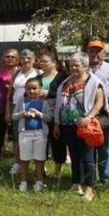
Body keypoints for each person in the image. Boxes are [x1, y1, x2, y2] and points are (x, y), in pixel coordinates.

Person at [53, 52, 107, 201]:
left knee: (88, 157)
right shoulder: (66, 82)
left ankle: (89, 188)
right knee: (75, 155)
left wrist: (88, 117)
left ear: (85, 66)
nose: (73, 68)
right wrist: (57, 123)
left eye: (77, 65)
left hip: (85, 125)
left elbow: (99, 102)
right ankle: (76, 183)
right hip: (67, 124)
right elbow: (59, 103)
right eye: (71, 65)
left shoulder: (93, 81)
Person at [86, 39, 109, 186]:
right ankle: (89, 178)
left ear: (104, 53)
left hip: (106, 112)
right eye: (91, 50)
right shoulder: (83, 68)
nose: (95, 53)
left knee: (104, 145)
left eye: (98, 50)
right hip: (87, 111)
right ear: (87, 52)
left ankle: (106, 178)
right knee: (88, 145)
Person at [13, 77, 51, 193]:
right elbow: (13, 116)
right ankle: (23, 182)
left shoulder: (44, 103)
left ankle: (39, 182)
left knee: (40, 159)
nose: (32, 91)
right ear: (25, 89)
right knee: (24, 159)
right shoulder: (22, 102)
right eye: (29, 89)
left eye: (34, 88)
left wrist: (39, 114)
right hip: (25, 134)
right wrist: (21, 114)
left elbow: (49, 118)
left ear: (40, 89)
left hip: (40, 134)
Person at [6, 49, 40, 174]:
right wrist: (7, 111)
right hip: (17, 106)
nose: (25, 60)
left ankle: (38, 163)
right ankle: (18, 163)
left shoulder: (38, 73)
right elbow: (10, 93)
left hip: (33, 106)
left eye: (29, 58)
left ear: (34, 59)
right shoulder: (16, 74)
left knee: (36, 135)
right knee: (17, 137)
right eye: (23, 58)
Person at [37, 48, 68, 180]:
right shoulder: (37, 78)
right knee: (41, 141)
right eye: (40, 61)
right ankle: (41, 168)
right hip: (39, 112)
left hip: (57, 113)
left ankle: (57, 170)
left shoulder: (63, 77)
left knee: (57, 141)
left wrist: (48, 93)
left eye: (45, 61)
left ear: (54, 62)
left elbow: (65, 94)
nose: (42, 64)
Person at [0, 48, 19, 157]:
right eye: (7, 56)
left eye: (12, 57)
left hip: (17, 103)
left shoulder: (21, 71)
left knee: (16, 130)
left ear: (17, 59)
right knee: (1, 129)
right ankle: (1, 151)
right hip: (2, 102)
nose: (10, 59)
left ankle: (17, 154)